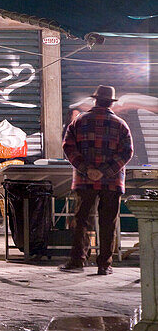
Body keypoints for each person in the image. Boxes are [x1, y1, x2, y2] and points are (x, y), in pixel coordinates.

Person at [60, 85, 133, 275]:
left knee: (81, 220)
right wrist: (105, 172)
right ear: (111, 102)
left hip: (84, 181)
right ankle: (104, 265)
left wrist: (87, 169)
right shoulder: (121, 124)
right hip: (112, 181)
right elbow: (127, 152)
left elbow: (68, 147)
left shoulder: (78, 122)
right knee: (108, 222)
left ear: (95, 100)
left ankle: (77, 261)